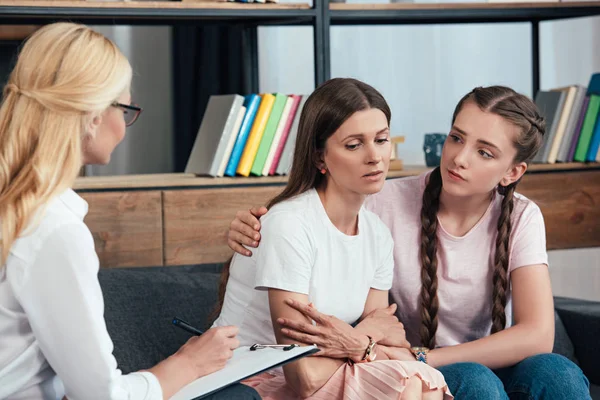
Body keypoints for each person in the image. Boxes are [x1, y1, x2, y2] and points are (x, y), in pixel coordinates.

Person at [226, 85, 592, 399]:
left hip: (420, 359)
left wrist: (419, 358)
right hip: (405, 365)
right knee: (476, 382)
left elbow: (537, 334)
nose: (459, 158)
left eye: (484, 152)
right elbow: (316, 204)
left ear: (512, 172)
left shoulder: (522, 217)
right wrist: (250, 226)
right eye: (456, 137)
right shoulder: (381, 200)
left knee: (558, 373)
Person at [0, 22, 260, 400]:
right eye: (124, 107)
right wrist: (188, 363)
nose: (124, 126)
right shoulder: (52, 230)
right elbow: (102, 397)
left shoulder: (23, 209)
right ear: (92, 114)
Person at [212, 77, 452, 399]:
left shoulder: (377, 234)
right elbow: (303, 376)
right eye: (354, 145)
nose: (375, 157)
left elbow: (393, 345)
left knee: (419, 377)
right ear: (319, 158)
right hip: (249, 377)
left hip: (327, 369)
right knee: (410, 379)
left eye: (381, 140)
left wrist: (362, 343)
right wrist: (364, 338)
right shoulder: (290, 225)